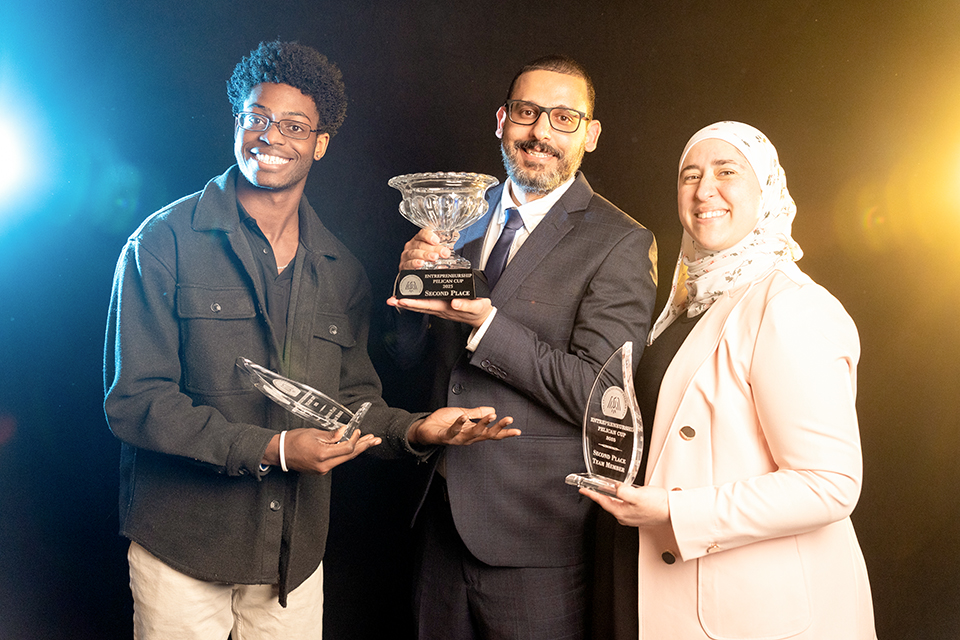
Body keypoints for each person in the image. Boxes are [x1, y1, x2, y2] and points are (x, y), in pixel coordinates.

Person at [103, 40, 517, 640]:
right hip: (182, 554)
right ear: (238, 122)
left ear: (320, 144)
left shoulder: (339, 269)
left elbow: (351, 402)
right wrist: (273, 449)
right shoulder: (162, 244)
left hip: (290, 563)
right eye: (257, 118)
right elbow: (137, 403)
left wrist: (418, 429)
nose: (270, 136)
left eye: (294, 125)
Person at [387, 55, 658, 639]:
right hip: (435, 525)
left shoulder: (620, 243)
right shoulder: (457, 220)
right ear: (502, 119)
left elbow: (603, 395)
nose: (540, 132)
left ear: (591, 134)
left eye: (564, 118)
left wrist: (486, 325)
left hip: (537, 542)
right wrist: (408, 298)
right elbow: (405, 364)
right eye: (529, 113)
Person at [584, 121, 876, 639]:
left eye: (727, 172)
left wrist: (676, 511)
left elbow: (830, 485)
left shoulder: (791, 304)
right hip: (662, 583)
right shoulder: (689, 302)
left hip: (757, 611)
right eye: (689, 175)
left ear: (766, 189)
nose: (704, 190)